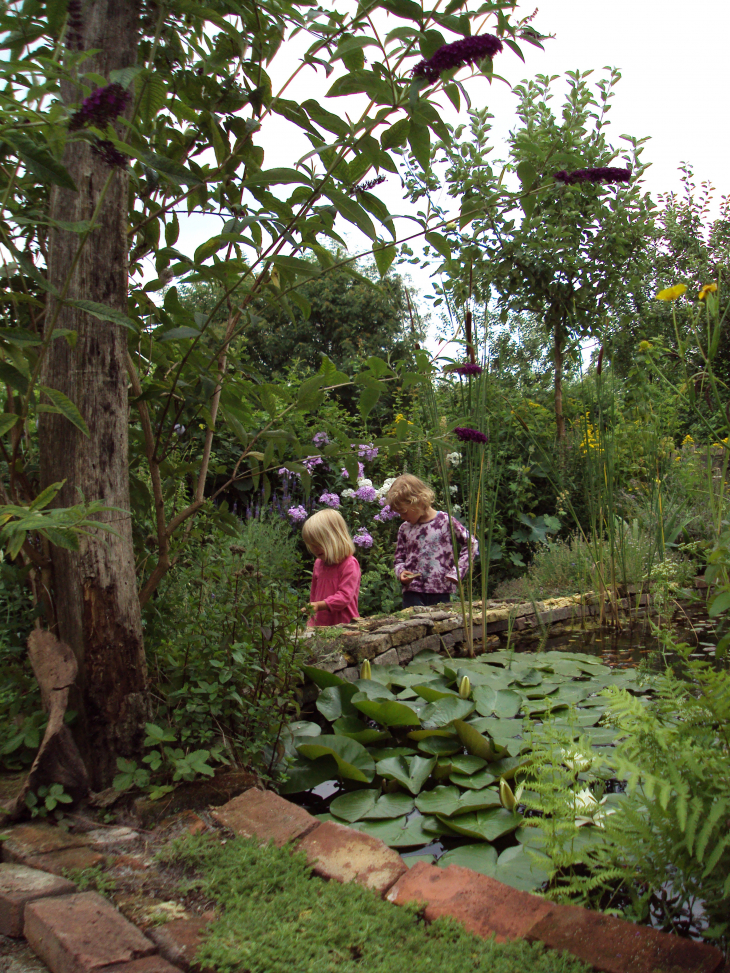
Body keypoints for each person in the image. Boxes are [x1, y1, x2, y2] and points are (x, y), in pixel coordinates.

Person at [387, 473, 478, 609]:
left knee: (440, 627)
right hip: (412, 592)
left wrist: (458, 571)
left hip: (440, 591)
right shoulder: (404, 529)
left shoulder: (445, 522)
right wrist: (401, 573)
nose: (402, 517)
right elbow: (398, 560)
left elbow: (471, 543)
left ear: (417, 501)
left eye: (404, 512)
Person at [301, 508, 361, 627]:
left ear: (334, 539)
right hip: (320, 624)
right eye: (311, 545)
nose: (314, 549)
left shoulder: (349, 564)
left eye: (318, 544)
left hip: (343, 624)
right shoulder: (319, 563)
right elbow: (314, 594)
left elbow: (344, 597)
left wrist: (319, 605)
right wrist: (311, 615)